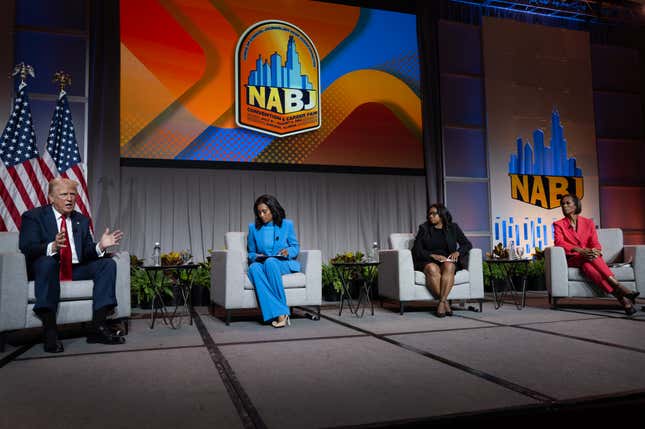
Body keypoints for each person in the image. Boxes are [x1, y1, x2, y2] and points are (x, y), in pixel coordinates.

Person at [18, 178, 126, 353]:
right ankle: (50, 331)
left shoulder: (81, 220)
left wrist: (100, 246)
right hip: (48, 268)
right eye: (63, 195)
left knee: (107, 264)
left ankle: (98, 327)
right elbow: (27, 248)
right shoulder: (34, 216)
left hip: (75, 269)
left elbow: (86, 253)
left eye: (72, 194)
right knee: (47, 263)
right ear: (51, 198)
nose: (69, 199)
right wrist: (51, 247)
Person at [553, 194, 639, 315]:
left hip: (587, 258)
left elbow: (595, 242)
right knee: (590, 257)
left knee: (589, 266)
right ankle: (619, 286)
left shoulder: (588, 223)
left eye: (568, 203)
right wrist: (579, 250)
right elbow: (559, 242)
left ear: (576, 205)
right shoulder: (558, 224)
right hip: (573, 258)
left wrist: (596, 250)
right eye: (562, 204)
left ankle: (623, 299)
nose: (564, 206)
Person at [247, 194, 300, 328]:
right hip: (263, 262)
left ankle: (280, 314)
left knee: (271, 262)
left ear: (273, 209)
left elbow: (295, 246)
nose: (261, 215)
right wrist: (256, 256)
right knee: (253, 268)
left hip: (282, 263)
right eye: (259, 212)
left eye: (264, 211)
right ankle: (281, 313)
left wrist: (288, 252)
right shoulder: (253, 228)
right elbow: (251, 253)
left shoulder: (287, 225)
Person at [412, 203, 472, 317]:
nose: (430, 216)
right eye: (429, 214)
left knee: (449, 265)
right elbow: (416, 250)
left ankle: (441, 302)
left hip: (447, 260)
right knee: (432, 268)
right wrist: (432, 256)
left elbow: (467, 244)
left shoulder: (453, 228)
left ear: (442, 214)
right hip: (428, 260)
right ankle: (444, 303)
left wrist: (457, 252)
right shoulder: (424, 228)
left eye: (434, 214)